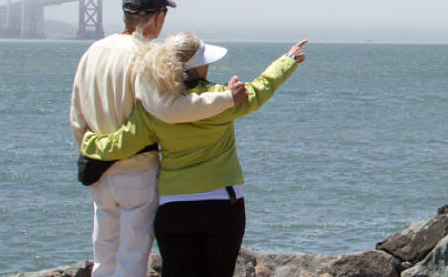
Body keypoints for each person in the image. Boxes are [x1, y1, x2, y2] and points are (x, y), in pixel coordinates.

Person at [81, 33, 307, 277]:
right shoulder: (224, 98)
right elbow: (264, 86)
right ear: (198, 66)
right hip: (223, 203)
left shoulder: (153, 106)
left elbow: (121, 145)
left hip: (174, 207)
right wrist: (289, 59)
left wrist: (88, 142)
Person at [69, 0, 251, 277]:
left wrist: (89, 152)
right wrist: (227, 99)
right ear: (158, 18)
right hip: (137, 169)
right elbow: (168, 109)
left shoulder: (93, 51)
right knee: (132, 257)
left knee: (104, 254)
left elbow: (77, 113)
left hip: (99, 169)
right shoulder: (148, 55)